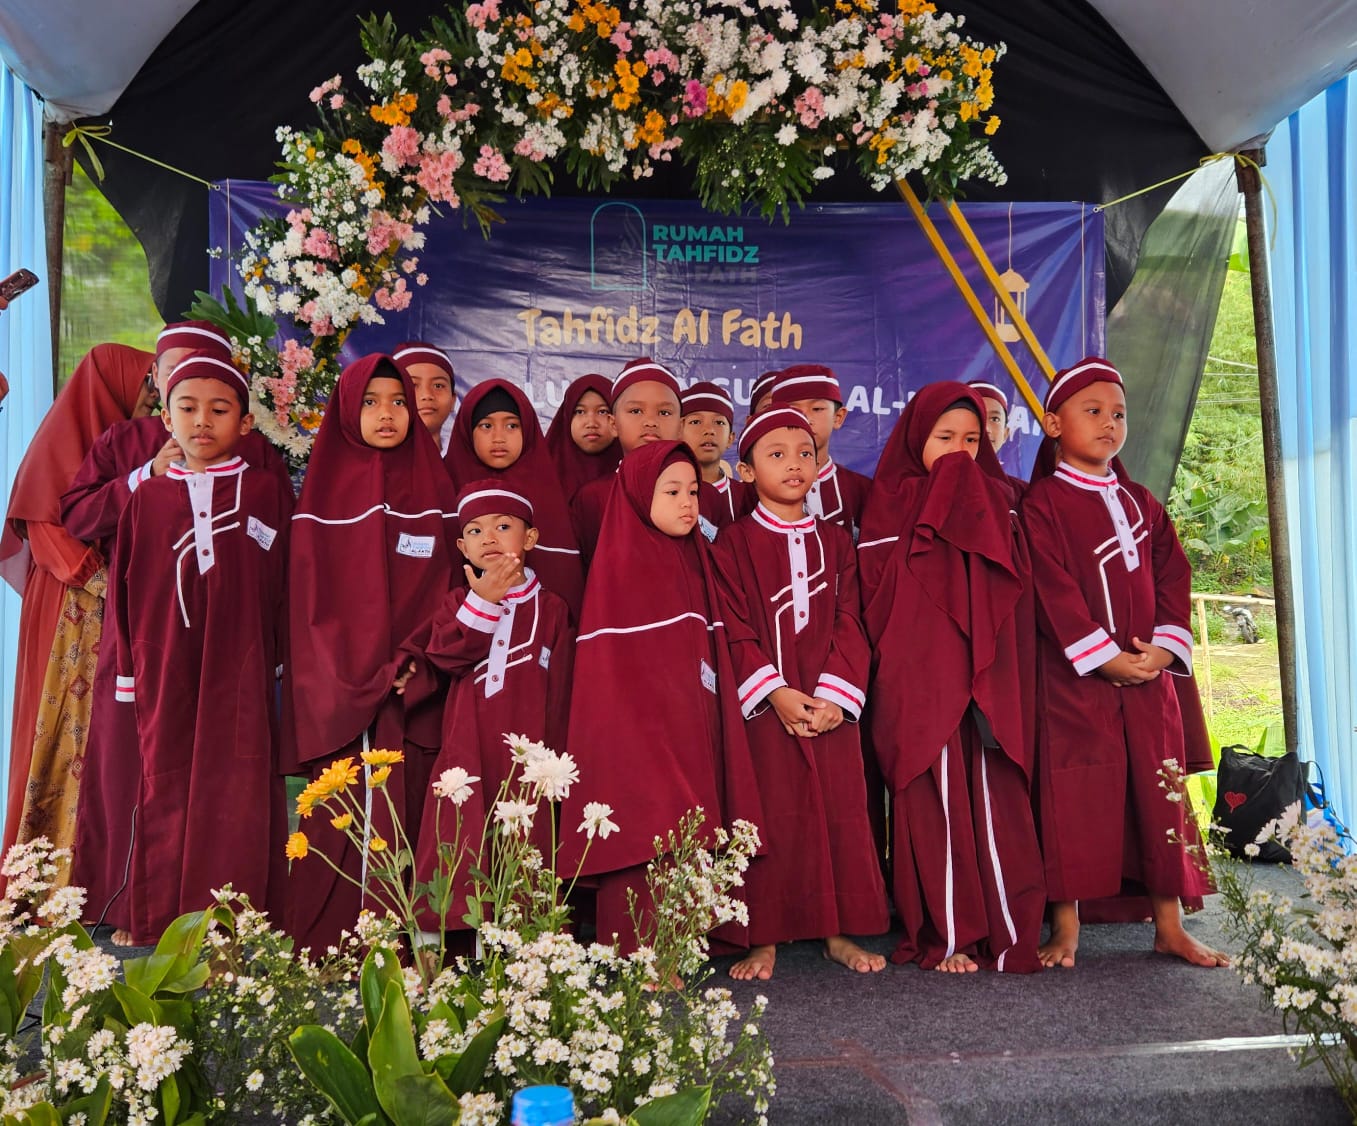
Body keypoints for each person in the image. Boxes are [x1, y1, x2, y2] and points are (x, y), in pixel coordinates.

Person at [61, 320, 288, 942]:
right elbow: (128, 587)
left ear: (245, 420)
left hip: (238, 661)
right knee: (158, 776)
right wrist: (131, 673)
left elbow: (282, 580)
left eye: (218, 408)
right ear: (164, 409)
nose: (201, 421)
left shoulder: (266, 489)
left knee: (236, 779)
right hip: (162, 663)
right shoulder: (146, 494)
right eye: (186, 406)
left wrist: (276, 665)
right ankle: (156, 914)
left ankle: (235, 916)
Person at [1020, 357, 1225, 969]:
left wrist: (1164, 646)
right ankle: (1067, 926)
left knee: (1157, 796)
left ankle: (1168, 925)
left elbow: (1173, 575)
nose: (1110, 424)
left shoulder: (1140, 502)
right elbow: (1049, 590)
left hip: (1148, 680)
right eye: (1093, 412)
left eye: (1119, 414)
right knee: (1075, 796)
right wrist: (1104, 658)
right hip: (1075, 683)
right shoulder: (1042, 506)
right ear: (1054, 424)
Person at [858, 382, 1046, 973]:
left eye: (972, 438)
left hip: (988, 671)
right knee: (932, 790)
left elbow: (1016, 591)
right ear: (918, 439)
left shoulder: (1000, 499)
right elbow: (877, 592)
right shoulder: (890, 501)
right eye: (945, 439)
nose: (960, 452)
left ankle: (1006, 927)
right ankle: (950, 932)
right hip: (920, 675)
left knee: (995, 787)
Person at [282, 353, 459, 952]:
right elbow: (307, 604)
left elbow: (449, 586)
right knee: (339, 813)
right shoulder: (322, 495)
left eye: (399, 402)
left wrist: (418, 658)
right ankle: (331, 944)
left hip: (414, 681)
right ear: (346, 411)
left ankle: (406, 942)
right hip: (341, 683)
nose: (387, 414)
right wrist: (352, 678)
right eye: (370, 402)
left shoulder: (437, 488)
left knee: (411, 808)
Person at [559, 441, 763, 954]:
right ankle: (640, 949)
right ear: (636, 496)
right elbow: (614, 671)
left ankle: (682, 940)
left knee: (688, 824)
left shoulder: (696, 559)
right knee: (644, 826)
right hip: (640, 735)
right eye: (671, 491)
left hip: (692, 721)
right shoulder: (622, 562)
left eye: (693, 491)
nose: (687, 503)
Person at [713, 407, 888, 981]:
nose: (795, 464)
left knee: (836, 811)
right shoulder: (732, 545)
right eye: (777, 454)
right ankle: (761, 935)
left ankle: (836, 931)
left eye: (805, 453)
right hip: (766, 711)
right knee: (769, 816)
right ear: (745, 472)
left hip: (831, 710)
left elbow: (849, 620)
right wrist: (777, 695)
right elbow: (732, 627)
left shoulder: (837, 543)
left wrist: (835, 699)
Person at [0, 343, 155, 886]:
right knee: (61, 733)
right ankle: (46, 879)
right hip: (70, 610)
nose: (152, 398)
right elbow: (44, 530)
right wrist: (113, 586)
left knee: (105, 743)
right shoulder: (58, 443)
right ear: (109, 387)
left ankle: (100, 875)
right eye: (145, 386)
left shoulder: (129, 447)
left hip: (111, 608)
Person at [401, 481, 573, 927]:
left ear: (530, 538)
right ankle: (445, 942)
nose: (490, 538)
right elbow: (444, 655)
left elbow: (563, 690)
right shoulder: (457, 602)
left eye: (503, 526)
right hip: (467, 745)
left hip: (530, 753)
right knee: (457, 835)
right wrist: (485, 601)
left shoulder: (552, 608)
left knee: (527, 838)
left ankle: (529, 945)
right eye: (475, 532)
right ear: (461, 546)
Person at [444, 379, 584, 619]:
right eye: (486, 426)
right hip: (463, 637)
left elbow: (564, 581)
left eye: (512, 426)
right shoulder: (445, 487)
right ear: (467, 430)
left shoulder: (550, 490)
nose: (499, 437)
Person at [569, 357, 684, 564]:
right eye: (636, 411)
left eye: (664, 412)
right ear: (613, 424)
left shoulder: (701, 495)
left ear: (681, 426)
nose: (650, 421)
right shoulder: (592, 498)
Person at [769, 364, 870, 538]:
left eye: (817, 409)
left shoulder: (864, 490)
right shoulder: (759, 488)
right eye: (794, 410)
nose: (806, 418)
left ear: (838, 417)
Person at [680, 380, 750, 537]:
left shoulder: (746, 496)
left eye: (719, 422)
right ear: (678, 432)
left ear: (730, 439)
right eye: (696, 422)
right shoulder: (668, 494)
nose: (709, 430)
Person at [544, 373, 619, 502]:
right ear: (566, 418)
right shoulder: (542, 475)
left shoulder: (632, 476)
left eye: (602, 411)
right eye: (580, 412)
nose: (591, 423)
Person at [968, 379, 1027, 502]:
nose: (986, 428)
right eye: (977, 415)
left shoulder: (1023, 493)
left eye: (995, 419)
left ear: (1005, 434)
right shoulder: (935, 483)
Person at [393, 341, 457, 453]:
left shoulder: (464, 464)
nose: (427, 395)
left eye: (438, 385)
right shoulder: (375, 466)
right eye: (412, 385)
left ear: (453, 400)